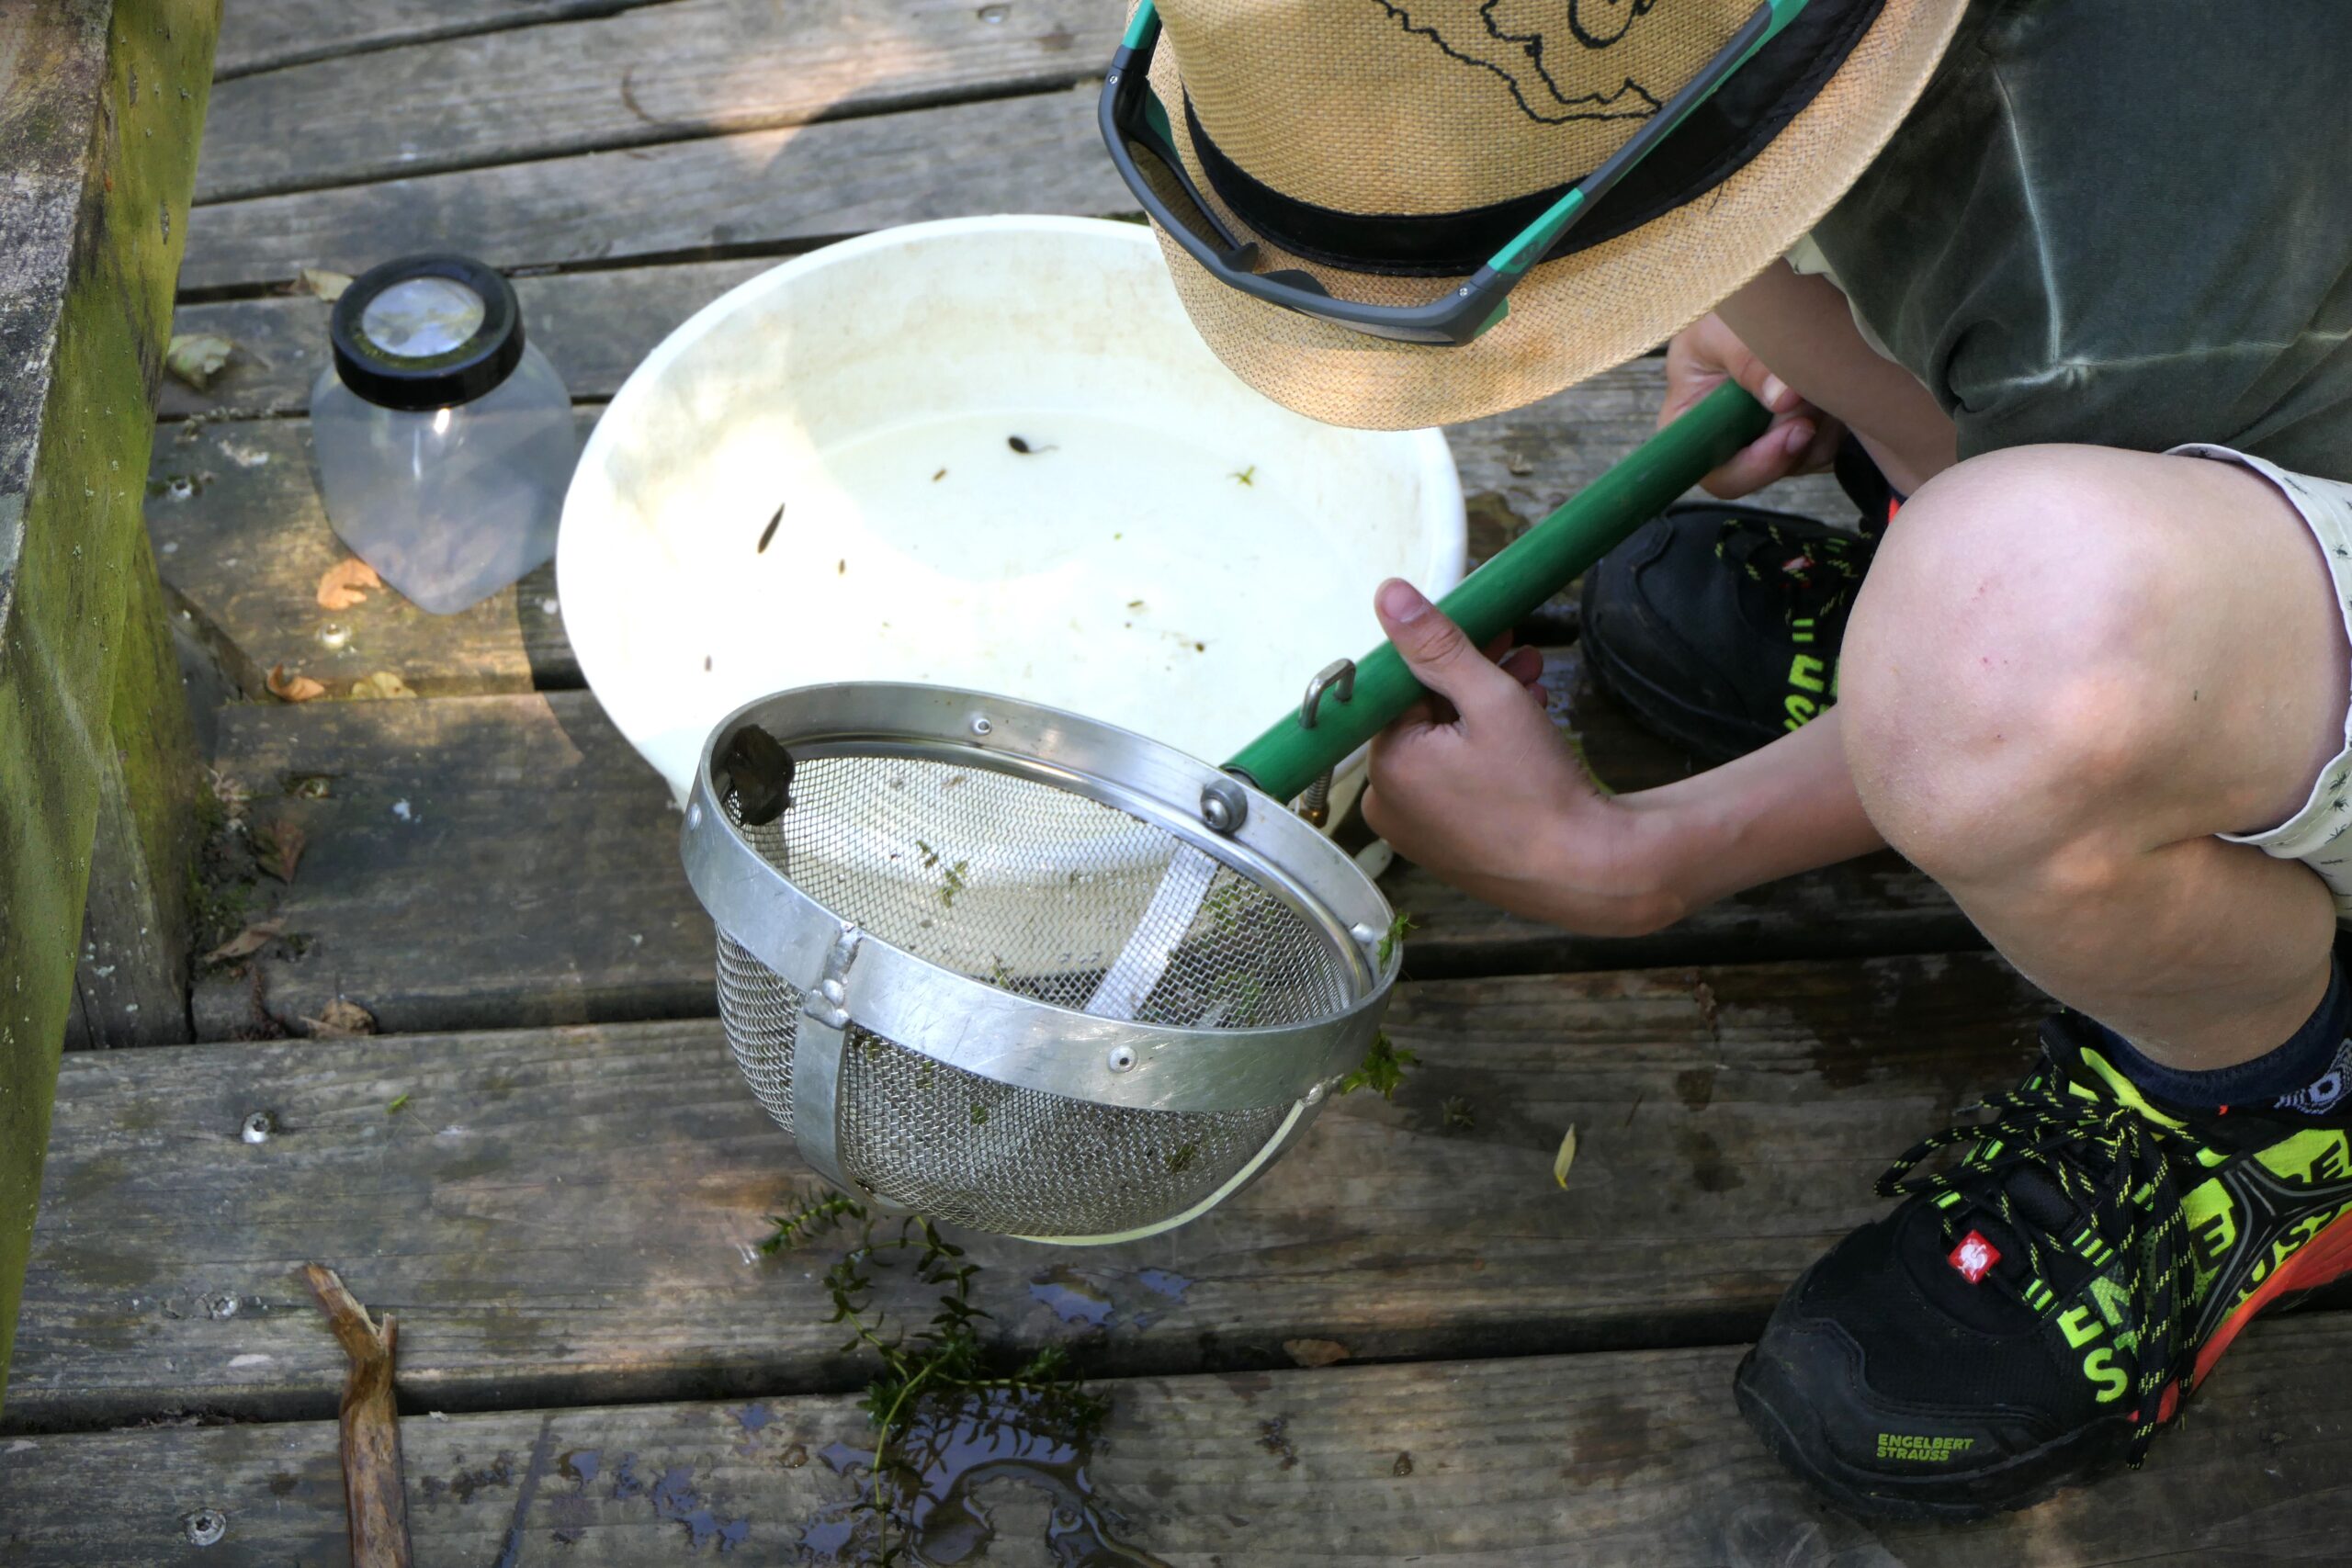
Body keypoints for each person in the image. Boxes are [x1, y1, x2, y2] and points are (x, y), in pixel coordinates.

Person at [1103, 0, 2352, 1520]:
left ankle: (2275, 1095)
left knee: (2011, 653)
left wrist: (1640, 857)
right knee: (1968, 569)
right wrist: (1758, 287)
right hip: (2189, 364)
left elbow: (2080, 666)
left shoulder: (2128, 242)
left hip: (2198, 429)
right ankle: (1962, 569)